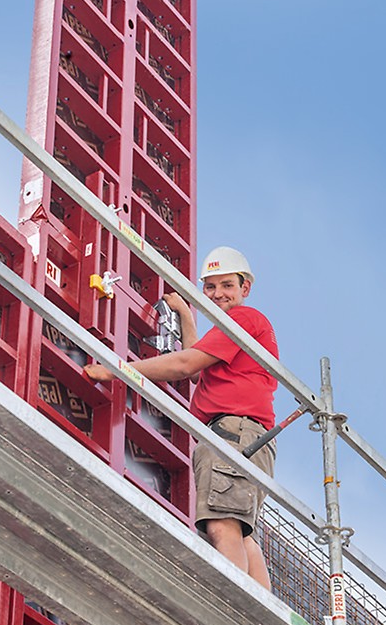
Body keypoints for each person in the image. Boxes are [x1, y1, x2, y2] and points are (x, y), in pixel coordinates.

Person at [84, 246, 278, 589]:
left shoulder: (244, 319)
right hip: (246, 436)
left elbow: (184, 365)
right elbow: (196, 372)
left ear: (245, 288)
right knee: (239, 528)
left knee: (222, 525)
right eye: (211, 287)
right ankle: (265, 610)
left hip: (233, 432)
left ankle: (237, 608)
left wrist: (115, 370)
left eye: (227, 286)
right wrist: (187, 317)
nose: (218, 294)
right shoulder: (230, 333)